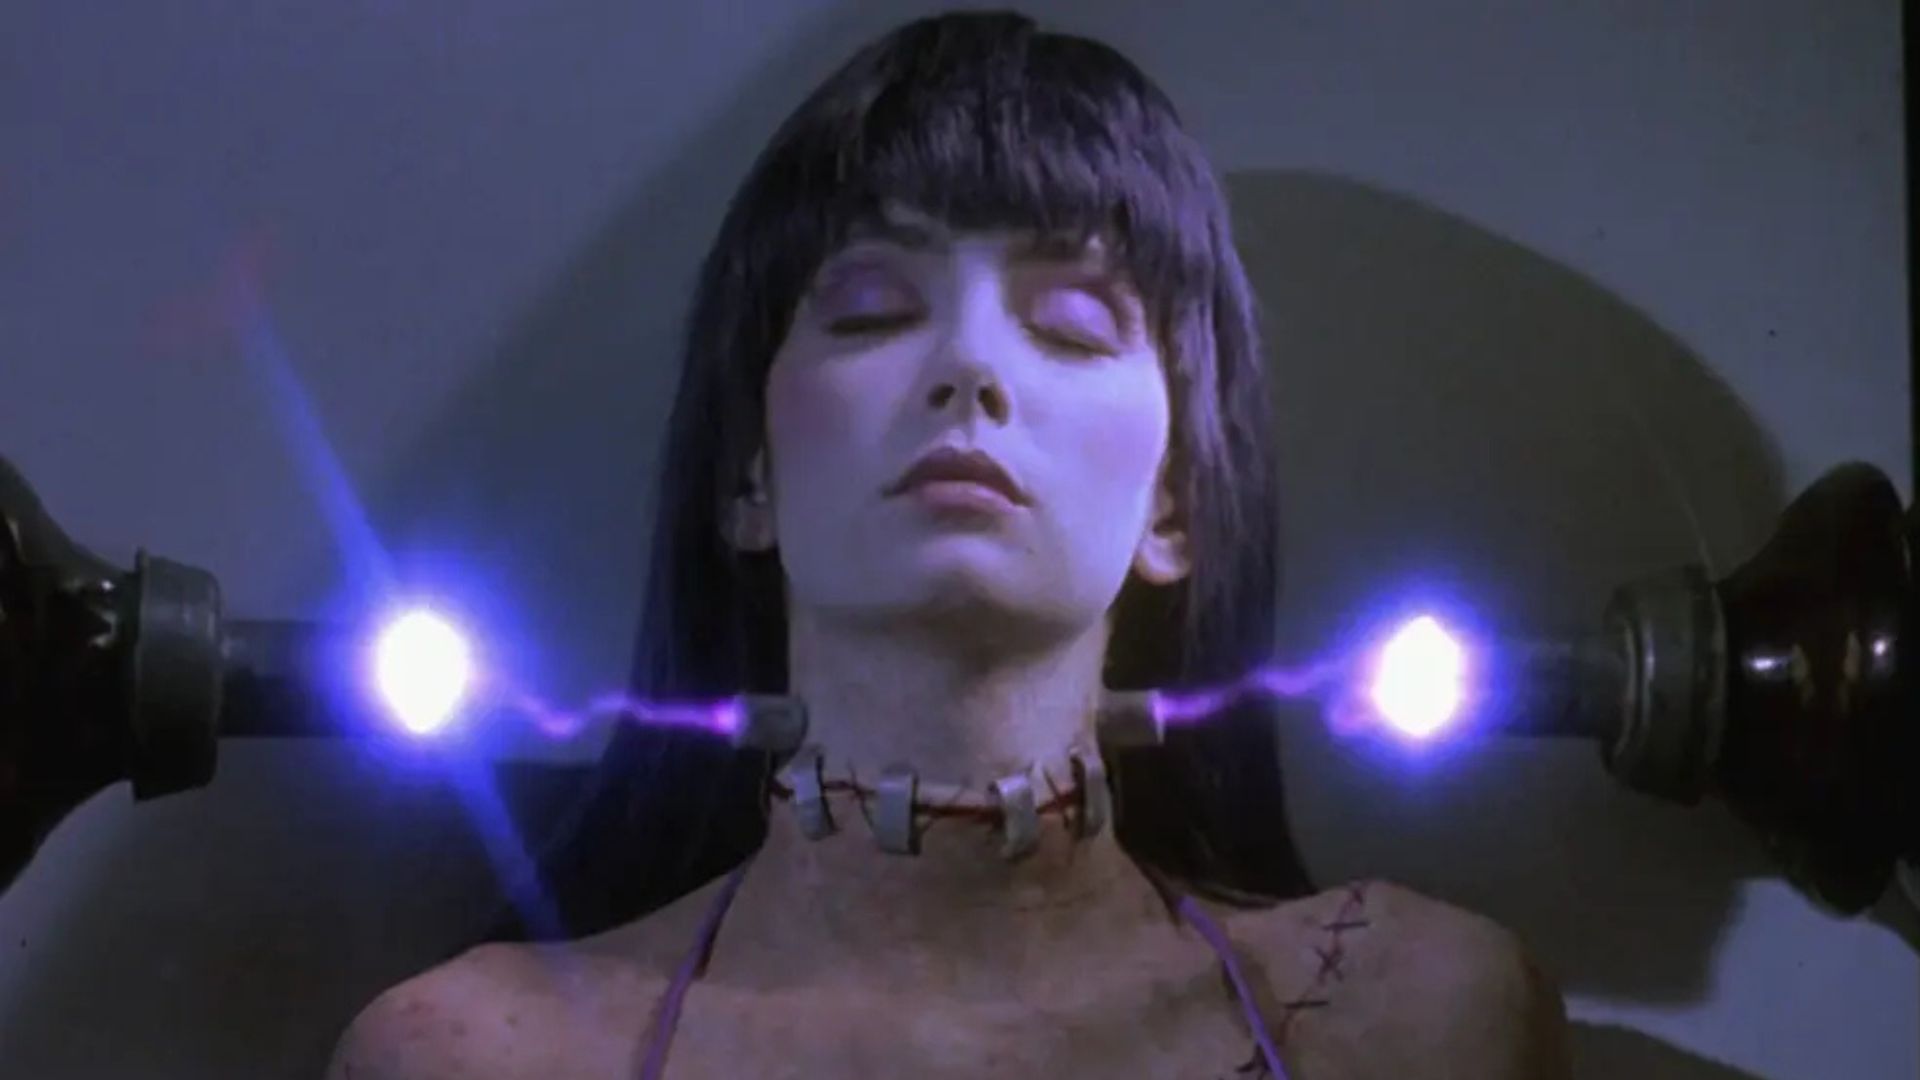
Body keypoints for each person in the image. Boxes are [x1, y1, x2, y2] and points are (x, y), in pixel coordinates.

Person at [326, 10, 1572, 1077]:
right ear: (748, 474)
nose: (970, 365)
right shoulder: (478, 1052)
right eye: (872, 313)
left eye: (1071, 325)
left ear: (1175, 502)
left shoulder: (1404, 1018)